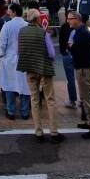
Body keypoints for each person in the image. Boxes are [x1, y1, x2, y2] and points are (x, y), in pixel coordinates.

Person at [19, 9, 63, 143]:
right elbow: (51, 53)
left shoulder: (22, 32)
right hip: (44, 67)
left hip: (30, 68)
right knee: (50, 99)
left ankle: (38, 131)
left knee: (34, 99)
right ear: (37, 19)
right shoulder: (43, 33)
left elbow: (19, 50)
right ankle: (54, 131)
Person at [67, 11, 90, 139]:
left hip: (85, 68)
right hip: (84, 67)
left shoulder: (81, 33)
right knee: (84, 97)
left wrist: (71, 47)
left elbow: (76, 50)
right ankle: (89, 122)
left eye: (70, 19)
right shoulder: (81, 32)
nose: (68, 21)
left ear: (77, 19)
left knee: (88, 99)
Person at [0, 2, 31, 120]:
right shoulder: (27, 25)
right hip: (25, 58)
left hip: (10, 59)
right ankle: (25, 112)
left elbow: (2, 43)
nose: (8, 12)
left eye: (10, 11)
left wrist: (1, 55)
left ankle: (11, 111)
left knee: (9, 85)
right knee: (25, 86)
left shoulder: (7, 25)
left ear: (14, 12)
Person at [57, 16, 79, 109]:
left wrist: (64, 51)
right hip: (75, 54)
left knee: (72, 79)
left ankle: (73, 100)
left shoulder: (65, 27)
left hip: (68, 54)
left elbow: (61, 41)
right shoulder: (79, 28)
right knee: (80, 78)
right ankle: (81, 100)